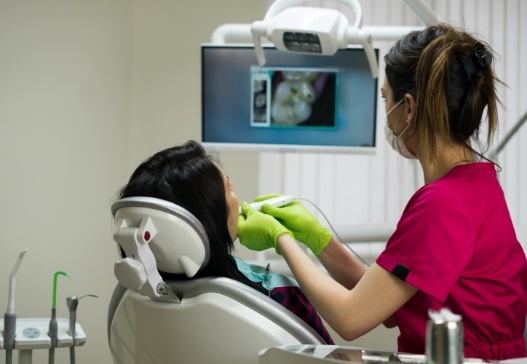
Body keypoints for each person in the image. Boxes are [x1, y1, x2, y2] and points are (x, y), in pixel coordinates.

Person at [237, 23, 527, 360]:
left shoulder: (442, 204)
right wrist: (317, 238)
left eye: (385, 99)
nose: (386, 114)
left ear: (408, 107)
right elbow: (385, 305)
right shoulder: (476, 185)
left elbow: (350, 318)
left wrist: (281, 238)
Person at [116, 139, 334, 344]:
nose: (235, 190)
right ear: (212, 218)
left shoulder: (135, 300)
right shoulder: (279, 297)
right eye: (229, 188)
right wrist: (282, 237)